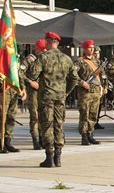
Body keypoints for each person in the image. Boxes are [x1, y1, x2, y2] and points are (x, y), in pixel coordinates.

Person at [31, 31, 79, 167]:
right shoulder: (66, 58)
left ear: (47, 41)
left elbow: (32, 74)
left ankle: (49, 157)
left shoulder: (43, 57)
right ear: (57, 43)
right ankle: (58, 157)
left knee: (47, 125)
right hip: (60, 97)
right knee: (59, 125)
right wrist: (66, 92)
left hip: (46, 96)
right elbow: (74, 78)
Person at [74, 39, 103, 145]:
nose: (91, 49)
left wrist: (102, 87)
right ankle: (84, 136)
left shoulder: (96, 61)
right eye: (89, 48)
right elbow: (73, 75)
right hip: (85, 92)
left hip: (95, 91)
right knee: (84, 114)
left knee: (93, 114)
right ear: (84, 49)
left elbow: (101, 75)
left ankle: (90, 133)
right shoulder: (79, 61)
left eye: (92, 48)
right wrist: (81, 83)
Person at [21, 38, 46, 150]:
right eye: (43, 49)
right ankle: (35, 139)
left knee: (43, 115)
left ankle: (42, 138)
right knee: (34, 116)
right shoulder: (30, 59)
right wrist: (30, 82)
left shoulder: (46, 59)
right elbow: (20, 73)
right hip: (33, 92)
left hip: (44, 91)